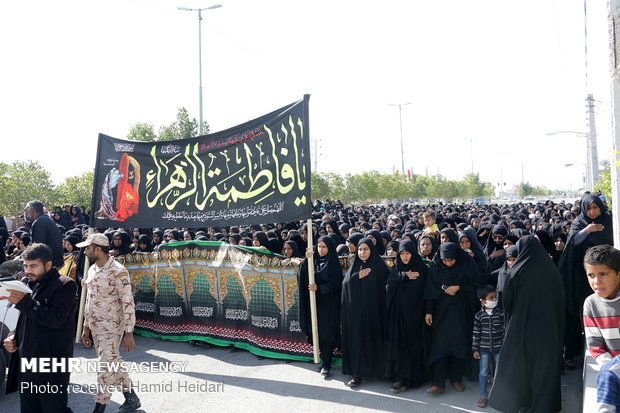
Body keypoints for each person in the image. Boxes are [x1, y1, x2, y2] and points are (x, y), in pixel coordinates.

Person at [489, 235, 565, 413]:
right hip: (548, 328)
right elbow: (560, 300)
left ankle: (520, 402)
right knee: (544, 367)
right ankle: (544, 406)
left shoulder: (517, 270)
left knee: (520, 366)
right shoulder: (551, 269)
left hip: (520, 327)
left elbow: (507, 300)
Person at [4, 243, 77, 413]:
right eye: (26, 266)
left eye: (33, 266)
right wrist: (13, 337)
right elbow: (25, 319)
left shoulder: (65, 285)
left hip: (51, 365)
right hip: (28, 365)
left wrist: (23, 301)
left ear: (48, 265)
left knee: (53, 408)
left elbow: (54, 319)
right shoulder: (28, 284)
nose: (28, 270)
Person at [78, 233, 141, 413]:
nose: (84, 252)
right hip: (96, 327)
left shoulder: (119, 271)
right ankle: (132, 398)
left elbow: (128, 302)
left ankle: (100, 406)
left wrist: (129, 332)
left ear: (98, 249)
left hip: (112, 327)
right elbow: (89, 300)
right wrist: (85, 327)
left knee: (105, 366)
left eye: (87, 248)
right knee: (113, 362)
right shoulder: (92, 270)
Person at [559, 194, 613, 368]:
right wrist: (588, 230)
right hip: (583, 278)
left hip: (607, 275)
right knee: (586, 312)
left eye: (595, 208)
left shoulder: (609, 222)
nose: (592, 211)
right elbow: (573, 241)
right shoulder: (580, 223)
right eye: (589, 208)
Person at [424, 242, 476, 395]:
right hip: (441, 313)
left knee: (458, 346)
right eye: (445, 260)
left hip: (461, 312)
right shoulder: (436, 266)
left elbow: (475, 284)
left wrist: (459, 287)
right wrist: (428, 311)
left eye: (451, 260)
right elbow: (430, 289)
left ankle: (456, 379)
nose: (447, 263)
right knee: (440, 346)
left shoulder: (466, 264)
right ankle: (438, 382)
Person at [341, 237, 389, 387]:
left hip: (375, 313)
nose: (362, 252)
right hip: (357, 315)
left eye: (365, 249)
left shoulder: (380, 267)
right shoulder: (354, 267)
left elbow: (386, 288)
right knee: (358, 342)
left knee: (375, 341)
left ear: (371, 250)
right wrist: (357, 277)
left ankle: (379, 371)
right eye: (360, 249)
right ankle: (357, 374)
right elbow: (345, 286)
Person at [385, 239, 428, 392]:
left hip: (416, 316)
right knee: (400, 346)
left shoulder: (421, 268)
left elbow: (427, 291)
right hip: (399, 316)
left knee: (415, 347)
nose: (404, 257)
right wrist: (404, 276)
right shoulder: (396, 268)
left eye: (408, 253)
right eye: (402, 253)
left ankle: (414, 378)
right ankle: (400, 378)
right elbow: (389, 287)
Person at [297, 236, 342, 376]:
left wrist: (320, 288)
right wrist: (306, 260)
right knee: (316, 332)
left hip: (328, 305)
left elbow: (336, 283)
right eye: (319, 246)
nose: (321, 250)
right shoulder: (313, 261)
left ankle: (326, 364)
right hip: (314, 302)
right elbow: (303, 274)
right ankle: (322, 359)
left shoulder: (333, 262)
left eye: (324, 247)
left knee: (327, 333)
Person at [582, 244, 620, 365]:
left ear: (618, 274)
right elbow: (596, 346)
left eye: (603, 274)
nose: (596, 282)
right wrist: (612, 370)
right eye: (591, 275)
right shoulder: (591, 304)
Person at [472, 285, 504, 408]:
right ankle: (484, 395)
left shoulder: (500, 314)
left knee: (498, 371)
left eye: (495, 297)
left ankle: (498, 394)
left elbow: (503, 330)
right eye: (491, 297)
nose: (494, 299)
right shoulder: (479, 316)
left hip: (498, 348)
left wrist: (504, 345)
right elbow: (476, 333)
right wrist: (475, 349)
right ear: (483, 300)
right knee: (484, 372)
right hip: (483, 349)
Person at [25, 200, 64, 268]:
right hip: (53, 261)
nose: (25, 212)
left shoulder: (39, 222)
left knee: (5, 266)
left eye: (26, 210)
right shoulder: (44, 219)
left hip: (49, 264)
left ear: (32, 210)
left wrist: (25, 269)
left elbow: (38, 248)